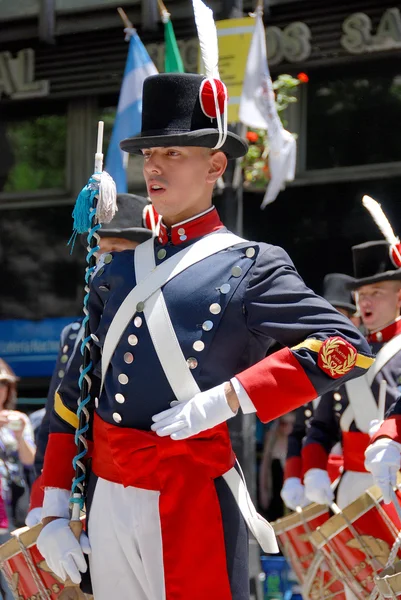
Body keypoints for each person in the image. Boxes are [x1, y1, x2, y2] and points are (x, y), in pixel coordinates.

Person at [36, 71, 373, 600]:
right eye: (149, 153)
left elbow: (346, 348)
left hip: (190, 494)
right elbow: (74, 398)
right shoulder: (116, 273)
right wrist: (53, 504)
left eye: (172, 152)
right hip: (108, 497)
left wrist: (230, 397)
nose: (153, 165)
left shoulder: (251, 264)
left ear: (216, 164)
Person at [25, 193, 154, 526]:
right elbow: (58, 416)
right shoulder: (74, 333)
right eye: (98, 251)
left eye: (114, 251)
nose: (102, 261)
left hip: (139, 482)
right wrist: (45, 498)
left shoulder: (157, 321)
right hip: (82, 487)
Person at [302, 242, 401, 516]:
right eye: (361, 294)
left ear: (400, 298)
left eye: (376, 293)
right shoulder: (347, 352)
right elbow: (321, 424)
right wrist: (313, 468)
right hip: (351, 491)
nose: (365, 302)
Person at [281, 273, 359, 510]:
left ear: (354, 321)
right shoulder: (312, 366)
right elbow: (300, 431)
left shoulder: (360, 366)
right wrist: (293, 476)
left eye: (339, 316)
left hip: (348, 478)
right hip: (314, 479)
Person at [0, 359, 35, 600]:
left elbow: (30, 461)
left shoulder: (18, 418)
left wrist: (21, 435)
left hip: (13, 514)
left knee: (17, 587)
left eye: (3, 384)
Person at [259, 412, 295, 520]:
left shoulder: (298, 439)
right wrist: (263, 491)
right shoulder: (273, 438)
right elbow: (264, 467)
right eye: (284, 424)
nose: (288, 427)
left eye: (292, 423)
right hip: (275, 495)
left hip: (294, 493)